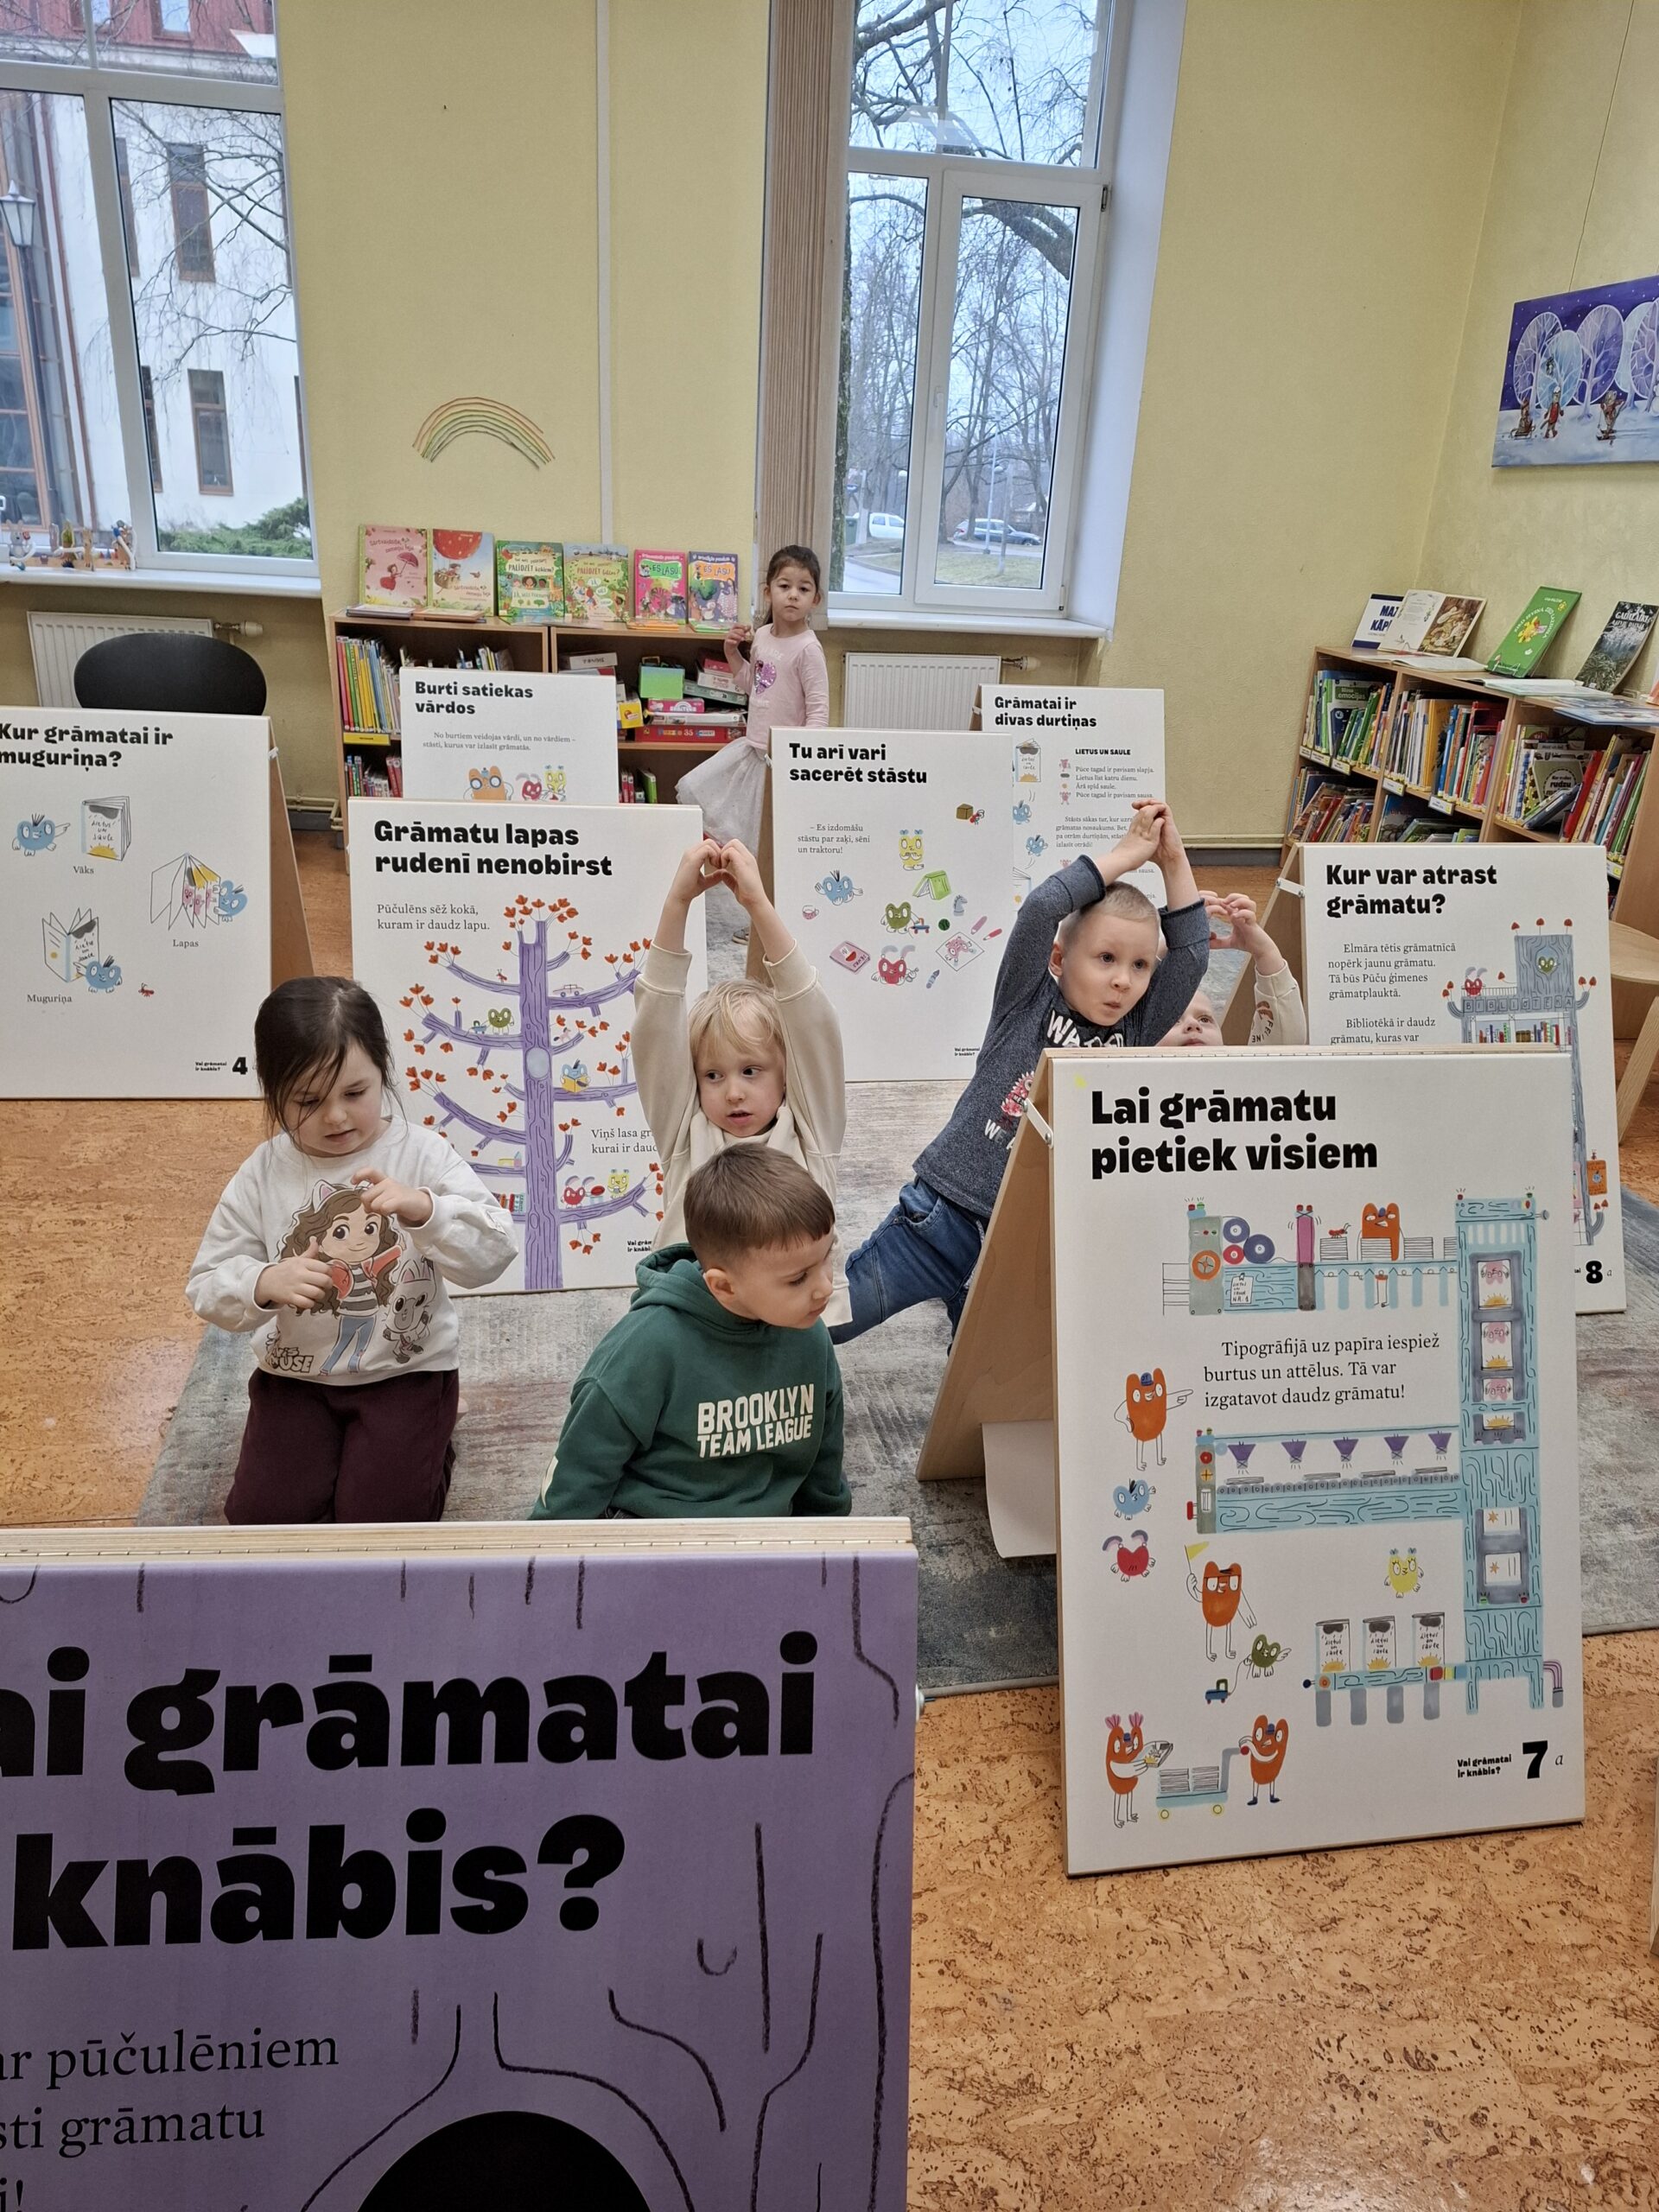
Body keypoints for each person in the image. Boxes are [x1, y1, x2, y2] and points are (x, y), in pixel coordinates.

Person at [834, 799, 1209, 1340]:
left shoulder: (1135, 1030)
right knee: (829, 1321)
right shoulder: (1026, 1000)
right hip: (940, 1221)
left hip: (1021, 1245)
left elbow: (1192, 956)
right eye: (1106, 958)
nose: (1123, 980)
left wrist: (1173, 860)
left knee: (980, 1379)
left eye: (1140, 965)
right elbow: (1041, 908)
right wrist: (1128, 855)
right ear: (1059, 959)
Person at [188, 976, 516, 1522]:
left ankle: (437, 1438)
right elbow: (206, 1282)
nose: (336, 1117)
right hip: (296, 1376)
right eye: (308, 1101)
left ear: (383, 1071)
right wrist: (262, 1282)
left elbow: (495, 1251)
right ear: (272, 1092)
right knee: (262, 1520)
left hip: (408, 1372)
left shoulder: (423, 1154)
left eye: (355, 1094)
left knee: (380, 1525)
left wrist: (427, 1210)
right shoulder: (263, 1172)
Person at [530, 1148, 849, 1520]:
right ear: (724, 1286)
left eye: (826, 1257)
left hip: (765, 1535)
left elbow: (824, 1466)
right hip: (655, 1533)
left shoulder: (809, 1336)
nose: (825, 1287)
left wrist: (831, 1538)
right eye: (797, 1278)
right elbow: (578, 1475)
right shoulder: (647, 1348)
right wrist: (551, 1548)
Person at [636, 833, 849, 1321]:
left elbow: (811, 1019)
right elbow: (656, 1026)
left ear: (786, 1074)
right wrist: (677, 904)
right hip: (691, 1329)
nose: (733, 1092)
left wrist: (758, 905)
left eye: (751, 1071)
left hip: (792, 1334)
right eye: (712, 1075)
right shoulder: (686, 1136)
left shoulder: (810, 1135)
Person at [677, 544, 830, 940]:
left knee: (770, 847)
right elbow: (754, 686)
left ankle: (767, 921)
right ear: (768, 592)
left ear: (815, 599)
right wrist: (732, 652)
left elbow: (818, 713)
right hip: (752, 753)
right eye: (784, 586)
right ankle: (752, 912)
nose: (793, 595)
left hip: (783, 764)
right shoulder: (761, 636)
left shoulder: (809, 649)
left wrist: (802, 764)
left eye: (803, 589)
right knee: (700, 794)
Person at [1158, 891, 1307, 1047]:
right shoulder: (1139, 1044)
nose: (1193, 1025)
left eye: (1205, 1019)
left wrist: (1265, 953)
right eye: (1172, 1020)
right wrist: (1174, 940)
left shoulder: (1242, 1064)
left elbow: (1284, 1042)